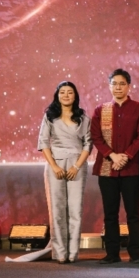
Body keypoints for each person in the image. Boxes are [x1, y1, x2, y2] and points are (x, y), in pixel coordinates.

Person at [90, 68, 139, 264]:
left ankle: (135, 253)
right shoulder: (101, 110)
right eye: (114, 84)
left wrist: (126, 156)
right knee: (110, 214)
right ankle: (112, 253)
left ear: (129, 86)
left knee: (133, 213)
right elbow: (96, 137)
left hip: (132, 168)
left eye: (122, 84)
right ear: (109, 86)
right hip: (107, 169)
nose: (118, 87)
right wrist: (112, 155)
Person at [37, 81, 92, 263]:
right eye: (62, 92)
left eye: (70, 92)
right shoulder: (50, 116)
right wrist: (54, 166)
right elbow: (43, 142)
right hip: (55, 165)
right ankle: (60, 252)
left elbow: (88, 144)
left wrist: (76, 167)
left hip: (77, 165)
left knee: (76, 210)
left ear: (75, 96)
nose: (66, 95)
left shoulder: (83, 117)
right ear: (57, 95)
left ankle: (73, 252)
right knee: (57, 210)